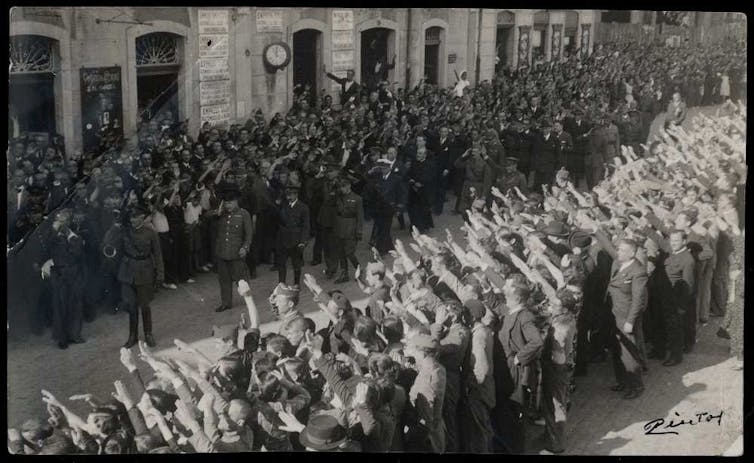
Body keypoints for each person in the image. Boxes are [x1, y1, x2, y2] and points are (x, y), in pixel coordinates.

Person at [103, 205, 164, 348]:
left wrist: (160, 275)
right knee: (131, 307)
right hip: (128, 273)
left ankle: (148, 334)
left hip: (145, 272)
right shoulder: (124, 231)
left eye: (135, 217)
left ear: (142, 217)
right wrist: (116, 225)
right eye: (130, 217)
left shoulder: (151, 233)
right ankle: (133, 336)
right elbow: (108, 240)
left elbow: (158, 255)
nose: (132, 220)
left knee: (145, 306)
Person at [40, 209, 86, 349]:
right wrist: (54, 230)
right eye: (60, 220)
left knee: (76, 304)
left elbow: (77, 252)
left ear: (69, 221)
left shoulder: (74, 234)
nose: (62, 223)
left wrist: (70, 236)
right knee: (60, 305)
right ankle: (62, 338)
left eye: (65, 220)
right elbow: (46, 245)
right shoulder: (51, 234)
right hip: (58, 273)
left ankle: (75, 334)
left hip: (73, 272)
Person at [213, 186, 253, 313]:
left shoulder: (244, 214)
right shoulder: (221, 214)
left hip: (236, 252)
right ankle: (226, 303)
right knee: (224, 280)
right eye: (226, 203)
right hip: (222, 252)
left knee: (241, 279)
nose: (228, 205)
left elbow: (249, 234)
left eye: (230, 202)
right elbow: (206, 218)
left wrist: (245, 247)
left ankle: (248, 300)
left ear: (237, 201)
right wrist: (218, 211)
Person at [274, 184, 310, 286]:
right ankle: (281, 283)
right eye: (287, 195)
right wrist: (277, 205)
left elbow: (306, 226)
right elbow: (276, 218)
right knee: (281, 263)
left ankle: (296, 283)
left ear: (296, 195)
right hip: (282, 238)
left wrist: (303, 241)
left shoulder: (303, 208)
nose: (288, 197)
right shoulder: (283, 205)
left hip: (295, 239)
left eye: (291, 195)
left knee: (296, 264)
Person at [333, 178, 364, 283]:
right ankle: (344, 274)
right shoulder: (338, 198)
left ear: (349, 186)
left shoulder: (357, 199)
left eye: (344, 186)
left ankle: (359, 270)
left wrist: (359, 231)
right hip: (340, 227)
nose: (342, 189)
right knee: (341, 252)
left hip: (351, 227)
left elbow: (360, 216)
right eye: (340, 187)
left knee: (350, 253)